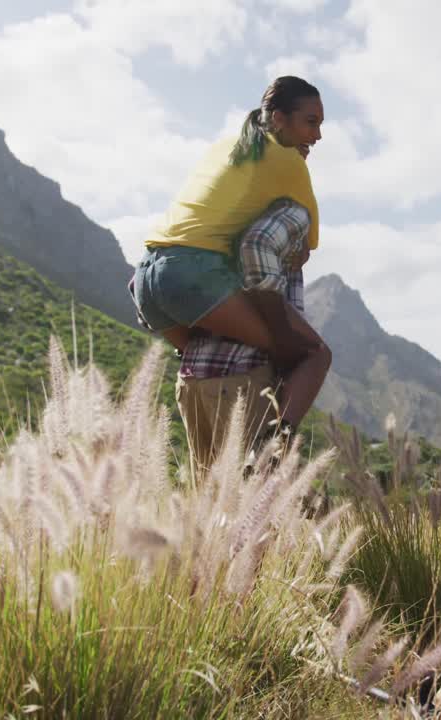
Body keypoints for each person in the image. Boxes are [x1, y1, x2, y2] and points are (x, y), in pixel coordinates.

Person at [131, 75, 327, 441]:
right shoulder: (287, 160)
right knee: (314, 354)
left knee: (203, 358)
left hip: (144, 279)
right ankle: (269, 452)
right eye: (311, 123)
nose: (317, 136)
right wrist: (282, 337)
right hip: (191, 277)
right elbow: (306, 243)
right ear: (280, 119)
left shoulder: (225, 146)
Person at [173, 198, 329, 475]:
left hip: (191, 379)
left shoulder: (215, 212)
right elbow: (256, 246)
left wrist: (185, 346)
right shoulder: (291, 209)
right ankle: (277, 439)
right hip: (242, 378)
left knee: (210, 510)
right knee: (257, 507)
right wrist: (282, 341)